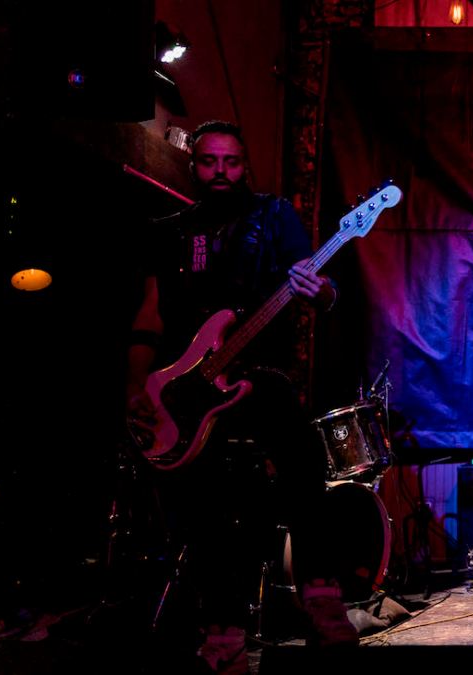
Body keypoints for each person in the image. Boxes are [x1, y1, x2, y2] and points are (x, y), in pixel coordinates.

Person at [125, 121, 356, 672]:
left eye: (231, 162)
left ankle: (321, 595)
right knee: (201, 505)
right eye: (210, 161)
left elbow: (319, 288)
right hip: (185, 390)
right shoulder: (171, 231)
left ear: (244, 165)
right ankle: (223, 629)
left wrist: (322, 290)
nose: (221, 171)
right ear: (193, 164)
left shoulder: (273, 216)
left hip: (259, 374)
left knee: (304, 458)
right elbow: (150, 316)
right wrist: (134, 385)